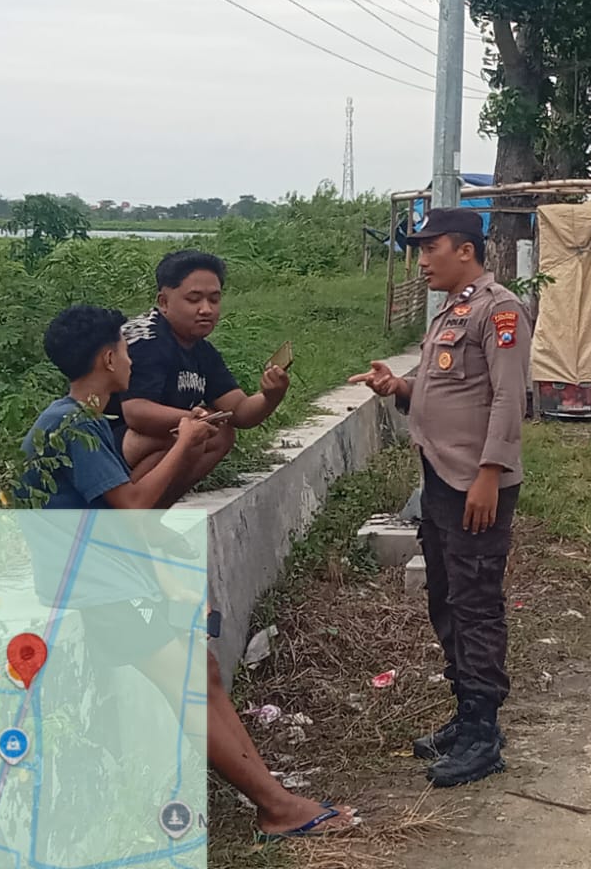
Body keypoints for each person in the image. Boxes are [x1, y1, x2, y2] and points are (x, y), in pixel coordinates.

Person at [19, 304, 358, 839]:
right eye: (125, 350)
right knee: (190, 683)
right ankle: (275, 806)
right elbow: (132, 509)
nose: (131, 359)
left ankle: (275, 800)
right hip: (94, 584)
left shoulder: (80, 418)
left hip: (108, 573)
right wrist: (182, 443)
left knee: (203, 674)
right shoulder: (74, 425)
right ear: (109, 357)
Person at [349, 207, 531, 788]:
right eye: (421, 249)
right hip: (440, 478)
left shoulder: (499, 310)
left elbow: (507, 399)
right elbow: (445, 391)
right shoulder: (453, 311)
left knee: (475, 602)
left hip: (476, 483)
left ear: (465, 251)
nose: (422, 260)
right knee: (446, 597)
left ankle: (484, 734)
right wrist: (399, 388)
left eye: (431, 249)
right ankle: (464, 713)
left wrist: (490, 472)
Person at [109, 250, 289, 503]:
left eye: (214, 300)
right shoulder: (147, 341)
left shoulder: (200, 349)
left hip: (132, 447)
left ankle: (149, 517)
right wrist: (195, 418)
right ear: (164, 302)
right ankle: (120, 516)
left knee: (219, 432)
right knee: (181, 434)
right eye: (194, 299)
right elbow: (137, 413)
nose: (206, 309)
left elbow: (238, 412)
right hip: (97, 447)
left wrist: (271, 396)